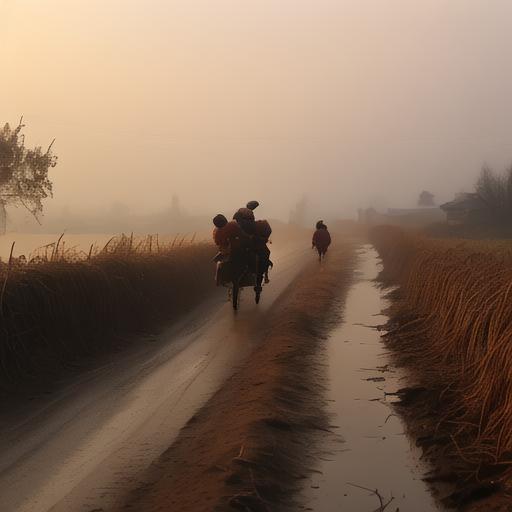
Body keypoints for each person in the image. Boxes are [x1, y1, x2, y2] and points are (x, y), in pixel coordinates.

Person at [212, 214, 245, 284]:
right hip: (238, 250)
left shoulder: (217, 232)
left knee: (216, 260)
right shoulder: (233, 225)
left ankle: (218, 278)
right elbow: (241, 235)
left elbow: (218, 243)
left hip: (226, 251)